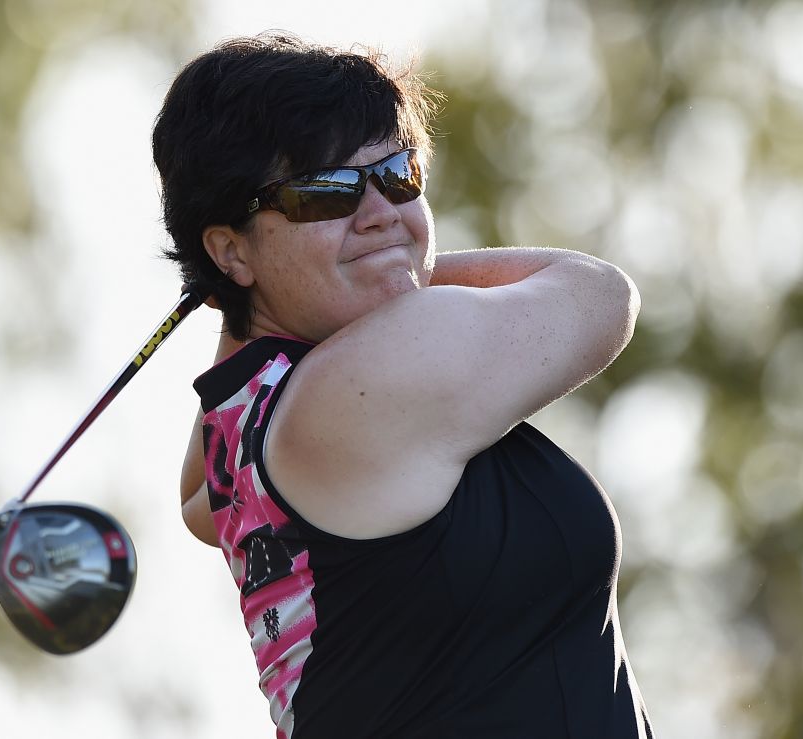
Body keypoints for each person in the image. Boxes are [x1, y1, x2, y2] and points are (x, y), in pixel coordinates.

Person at [153, 32, 653, 738]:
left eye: (397, 173)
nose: (381, 210)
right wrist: (399, 268)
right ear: (230, 246)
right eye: (324, 191)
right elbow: (599, 294)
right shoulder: (379, 370)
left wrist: (253, 290)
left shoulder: (246, 442)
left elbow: (196, 500)